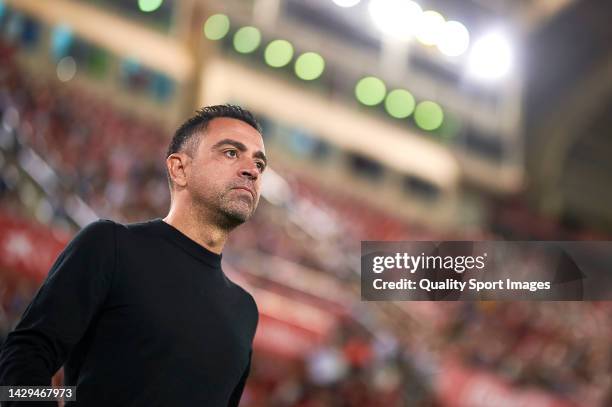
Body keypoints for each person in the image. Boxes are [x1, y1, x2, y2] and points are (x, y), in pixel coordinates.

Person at [0, 104, 266, 406]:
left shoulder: (245, 311)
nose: (252, 170)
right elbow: (22, 360)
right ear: (180, 169)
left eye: (260, 163)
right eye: (231, 152)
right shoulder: (110, 246)